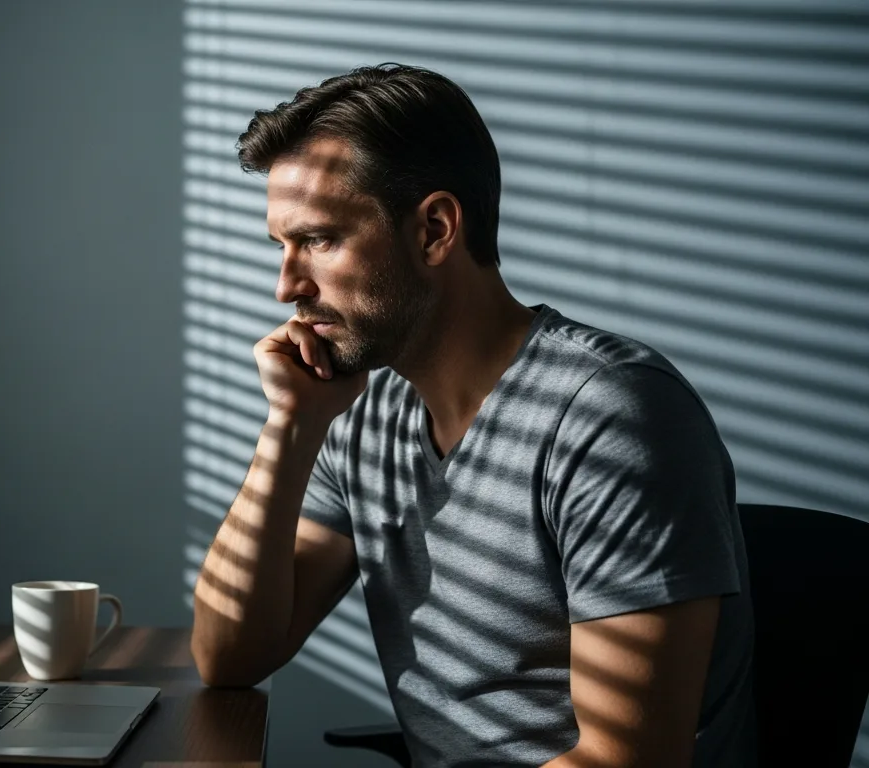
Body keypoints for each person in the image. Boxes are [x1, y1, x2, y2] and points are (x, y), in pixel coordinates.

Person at [189, 63, 755, 768]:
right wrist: (290, 428)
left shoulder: (611, 418)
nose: (286, 287)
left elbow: (626, 760)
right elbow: (229, 657)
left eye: (321, 240)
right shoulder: (369, 416)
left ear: (433, 230)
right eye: (282, 247)